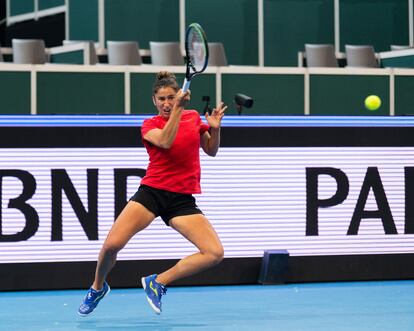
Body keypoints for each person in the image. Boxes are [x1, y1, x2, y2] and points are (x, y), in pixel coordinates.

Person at [78, 71, 227, 316]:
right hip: (152, 194)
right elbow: (166, 141)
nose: (167, 103)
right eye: (162, 99)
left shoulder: (192, 118)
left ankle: (158, 282)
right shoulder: (149, 125)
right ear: (154, 101)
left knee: (214, 253)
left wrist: (215, 129)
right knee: (111, 246)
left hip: (181, 199)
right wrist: (178, 109)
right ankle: (97, 287)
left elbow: (211, 151)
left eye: (171, 98)